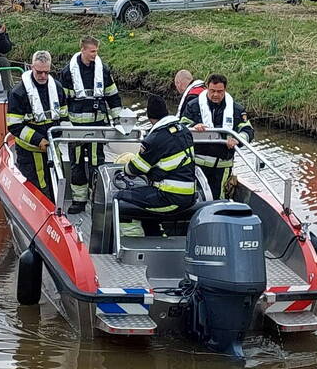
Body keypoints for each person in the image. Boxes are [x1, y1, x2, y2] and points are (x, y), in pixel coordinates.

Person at [59, 36, 122, 214]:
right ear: (83, 50)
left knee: (97, 164)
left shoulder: (103, 70)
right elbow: (62, 100)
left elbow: (112, 95)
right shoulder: (67, 72)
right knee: (76, 164)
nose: (95, 55)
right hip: (76, 129)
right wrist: (64, 124)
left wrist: (118, 119)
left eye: (97, 51)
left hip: (97, 126)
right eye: (92, 51)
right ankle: (79, 201)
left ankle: (97, 200)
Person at [117, 95, 197, 236]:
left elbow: (135, 169)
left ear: (149, 117)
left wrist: (124, 167)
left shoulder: (154, 138)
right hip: (189, 196)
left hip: (170, 198)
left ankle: (133, 240)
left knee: (121, 199)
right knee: (146, 195)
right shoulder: (184, 130)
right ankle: (155, 234)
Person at [6, 51, 68, 200]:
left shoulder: (57, 88)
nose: (43, 77)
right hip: (29, 153)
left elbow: (64, 116)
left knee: (55, 186)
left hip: (52, 149)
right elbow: (14, 126)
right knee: (36, 190)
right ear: (31, 67)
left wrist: (61, 137)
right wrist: (38, 140)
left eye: (46, 72)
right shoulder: (18, 93)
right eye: (39, 72)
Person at [180, 74, 254, 200]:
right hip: (198, 165)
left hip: (222, 166)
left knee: (219, 199)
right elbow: (182, 126)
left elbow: (248, 130)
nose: (215, 95)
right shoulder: (193, 106)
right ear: (207, 88)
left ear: (225, 90)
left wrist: (237, 139)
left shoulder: (236, 109)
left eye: (220, 92)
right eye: (212, 91)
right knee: (194, 198)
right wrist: (194, 126)